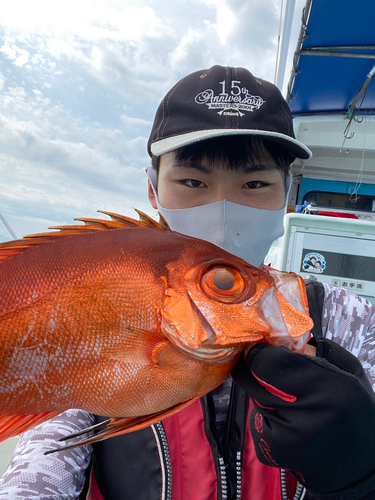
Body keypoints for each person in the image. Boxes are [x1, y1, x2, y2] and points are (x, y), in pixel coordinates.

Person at [1, 65, 375, 500]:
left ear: (286, 193)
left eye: (255, 183)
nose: (223, 207)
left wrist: (363, 475)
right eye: (192, 181)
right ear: (152, 190)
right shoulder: (112, 278)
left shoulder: (354, 320)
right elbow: (43, 456)